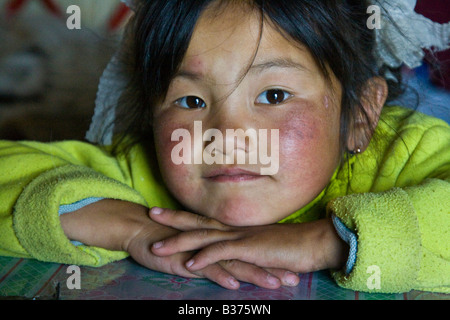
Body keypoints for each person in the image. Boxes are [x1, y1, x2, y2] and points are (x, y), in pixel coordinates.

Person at [0, 0, 448, 293]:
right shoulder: (142, 173)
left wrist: (327, 241)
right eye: (191, 101)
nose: (228, 136)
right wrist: (133, 228)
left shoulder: (400, 153)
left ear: (359, 117)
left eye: (273, 95)